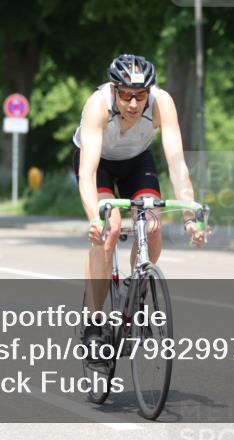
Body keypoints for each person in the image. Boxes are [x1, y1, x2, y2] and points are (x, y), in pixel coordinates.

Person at [72, 54, 205, 349]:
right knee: (110, 229)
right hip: (100, 163)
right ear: (114, 89)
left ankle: (135, 295)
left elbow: (177, 164)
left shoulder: (162, 104)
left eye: (140, 95)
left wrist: (189, 218)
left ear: (150, 92)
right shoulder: (98, 105)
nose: (133, 104)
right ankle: (94, 325)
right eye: (126, 96)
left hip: (136, 161)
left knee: (153, 224)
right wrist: (95, 219)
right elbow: (87, 172)